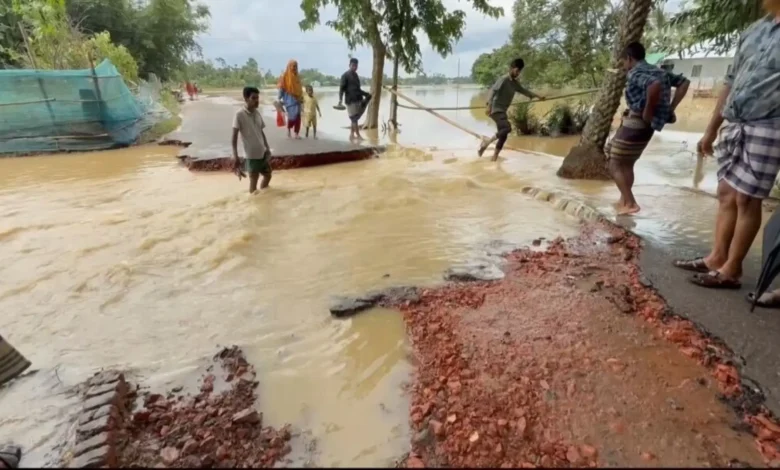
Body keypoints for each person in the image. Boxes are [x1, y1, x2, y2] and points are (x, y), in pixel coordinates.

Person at [674, 2, 780, 290]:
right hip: (735, 122)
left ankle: (732, 269)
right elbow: (730, 82)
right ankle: (716, 257)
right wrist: (710, 130)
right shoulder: (755, 31)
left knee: (747, 197)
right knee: (726, 193)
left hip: (771, 125)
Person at [608, 41, 690, 216]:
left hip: (636, 122)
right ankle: (623, 200)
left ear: (629, 58)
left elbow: (654, 85)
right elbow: (684, 82)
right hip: (649, 126)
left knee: (614, 162)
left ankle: (630, 203)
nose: (624, 66)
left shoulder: (635, 73)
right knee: (627, 162)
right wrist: (670, 108)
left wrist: (647, 111)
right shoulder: (659, 70)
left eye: (624, 61)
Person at [478, 58, 546, 162]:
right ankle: (487, 141)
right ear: (511, 68)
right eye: (516, 70)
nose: (518, 73)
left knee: (503, 135)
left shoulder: (515, 83)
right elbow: (493, 91)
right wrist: (488, 105)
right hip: (495, 109)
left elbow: (525, 91)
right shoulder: (504, 79)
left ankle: (494, 159)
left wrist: (539, 97)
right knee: (507, 128)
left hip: (502, 111)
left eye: (519, 71)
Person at [232, 86, 272, 193]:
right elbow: (234, 137)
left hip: (262, 153)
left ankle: (264, 198)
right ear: (246, 98)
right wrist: (235, 157)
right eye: (253, 98)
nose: (257, 101)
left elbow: (261, 132)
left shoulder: (257, 113)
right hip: (251, 156)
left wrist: (267, 148)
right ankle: (254, 204)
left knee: (268, 176)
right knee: (253, 183)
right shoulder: (239, 115)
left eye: (257, 98)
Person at [338, 58, 371, 141]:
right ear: (349, 65)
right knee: (354, 118)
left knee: (355, 117)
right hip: (350, 100)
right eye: (353, 65)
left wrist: (366, 94)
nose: (354, 67)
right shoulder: (345, 75)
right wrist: (340, 100)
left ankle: (352, 134)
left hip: (358, 99)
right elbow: (341, 89)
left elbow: (358, 89)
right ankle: (358, 135)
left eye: (356, 66)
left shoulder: (356, 76)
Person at [277, 60, 304, 139]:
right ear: (289, 66)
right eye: (293, 66)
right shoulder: (285, 76)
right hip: (289, 101)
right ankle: (289, 129)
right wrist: (279, 98)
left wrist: (301, 98)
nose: (295, 68)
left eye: (296, 66)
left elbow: (299, 88)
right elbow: (281, 88)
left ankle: (296, 133)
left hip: (298, 100)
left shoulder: (297, 77)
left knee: (298, 117)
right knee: (292, 117)